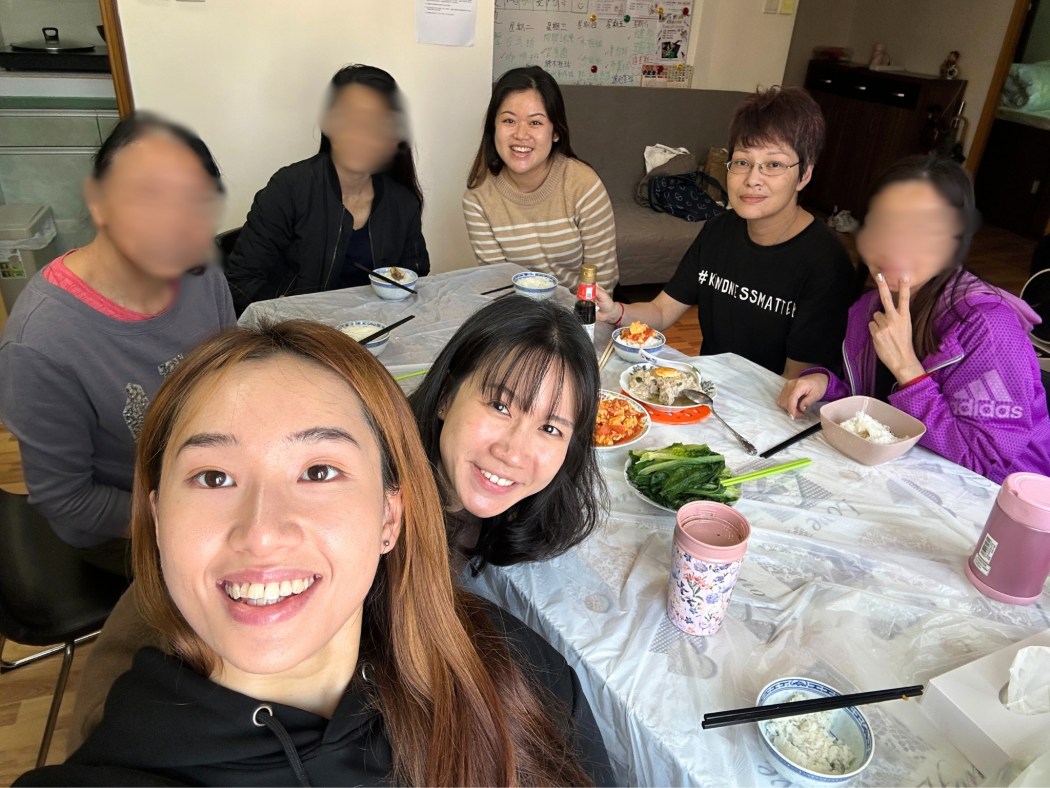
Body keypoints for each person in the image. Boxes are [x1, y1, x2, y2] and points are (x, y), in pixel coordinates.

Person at [17, 321, 612, 787]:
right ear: (155, 514)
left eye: (319, 471)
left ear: (390, 515)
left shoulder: (524, 681)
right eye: (213, 477)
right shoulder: (119, 760)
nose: (261, 532)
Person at [0, 112, 236, 577]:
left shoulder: (200, 271)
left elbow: (228, 374)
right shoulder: (40, 343)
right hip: (125, 527)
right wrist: (192, 514)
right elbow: (69, 499)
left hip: (209, 480)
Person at [778, 155, 1050, 484]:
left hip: (1002, 503)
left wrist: (907, 367)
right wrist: (824, 384)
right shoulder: (869, 307)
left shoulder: (989, 327)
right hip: (905, 477)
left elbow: (981, 461)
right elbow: (872, 407)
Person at [595, 86, 855, 377]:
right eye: (743, 162)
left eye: (774, 164)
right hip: (710, 391)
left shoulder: (825, 263)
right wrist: (616, 312)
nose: (752, 179)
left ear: (804, 174)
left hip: (774, 410)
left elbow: (795, 384)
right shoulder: (719, 231)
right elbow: (662, 311)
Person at [409, 294, 605, 572]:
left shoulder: (526, 513)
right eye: (499, 406)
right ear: (445, 397)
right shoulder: (383, 515)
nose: (513, 454)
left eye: (550, 428)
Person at [225, 65, 429, 314]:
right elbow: (240, 281)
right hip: (299, 334)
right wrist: (298, 317)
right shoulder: (290, 187)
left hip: (376, 330)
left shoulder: (402, 202)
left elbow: (416, 279)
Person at [463, 66, 619, 292]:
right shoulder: (478, 198)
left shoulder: (584, 185)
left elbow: (601, 281)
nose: (520, 134)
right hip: (518, 315)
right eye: (509, 121)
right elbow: (500, 287)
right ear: (493, 128)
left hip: (581, 314)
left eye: (535, 122)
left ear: (556, 132)